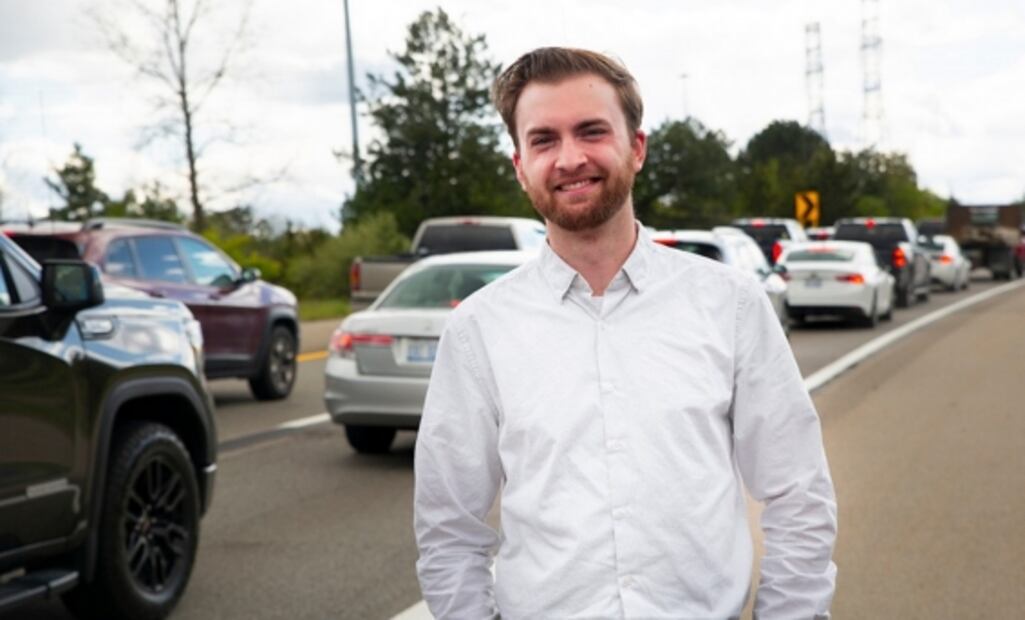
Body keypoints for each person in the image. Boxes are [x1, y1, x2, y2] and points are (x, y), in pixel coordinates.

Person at [414, 47, 837, 619]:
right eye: (544, 140)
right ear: (519, 165)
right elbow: (448, 529)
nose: (569, 158)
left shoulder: (730, 305)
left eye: (592, 131)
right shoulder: (478, 330)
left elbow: (797, 493)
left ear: (636, 148)